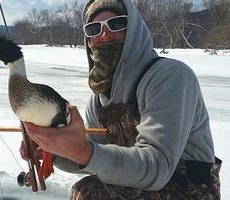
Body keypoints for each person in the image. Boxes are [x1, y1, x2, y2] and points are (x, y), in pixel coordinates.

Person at [20, 0, 222, 199]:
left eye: (116, 24)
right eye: (94, 29)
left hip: (190, 188)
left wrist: (83, 151)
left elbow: (157, 167)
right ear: (88, 40)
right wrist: (55, 150)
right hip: (139, 185)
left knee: (91, 193)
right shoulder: (98, 100)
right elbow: (101, 161)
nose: (105, 34)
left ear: (134, 30)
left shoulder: (170, 77)